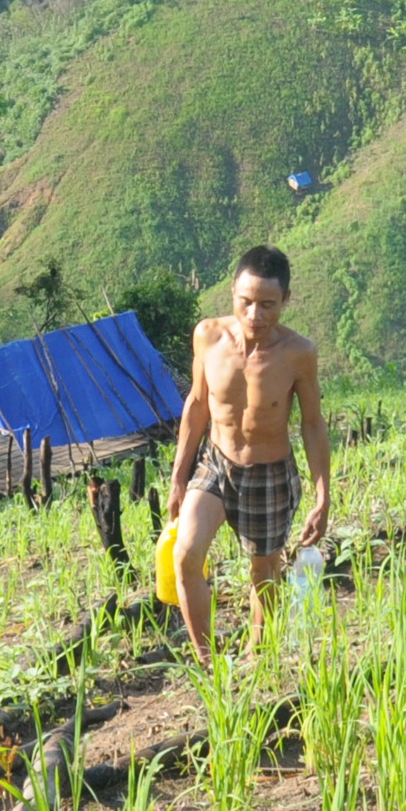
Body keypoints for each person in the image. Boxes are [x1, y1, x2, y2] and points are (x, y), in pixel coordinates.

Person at [167, 245, 330, 662]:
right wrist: (179, 475)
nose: (255, 314)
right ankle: (206, 661)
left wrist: (323, 494)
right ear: (233, 293)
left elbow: (312, 423)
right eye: (246, 302)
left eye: (267, 305)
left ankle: (259, 656)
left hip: (269, 474)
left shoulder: (298, 354)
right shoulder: (208, 336)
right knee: (185, 555)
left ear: (286, 301)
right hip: (216, 462)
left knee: (263, 572)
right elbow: (198, 404)